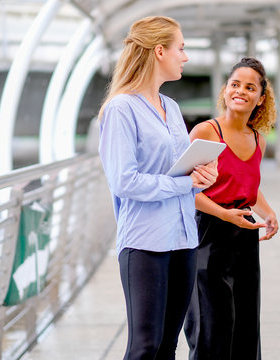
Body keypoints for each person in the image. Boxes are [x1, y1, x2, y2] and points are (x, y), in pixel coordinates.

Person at [98, 16, 218, 360]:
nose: (186, 56)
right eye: (181, 48)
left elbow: (179, 172)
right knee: (144, 347)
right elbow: (124, 181)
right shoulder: (121, 109)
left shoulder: (173, 108)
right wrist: (184, 183)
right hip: (145, 242)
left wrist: (200, 177)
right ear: (159, 51)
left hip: (183, 240)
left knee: (168, 346)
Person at [184, 57, 279, 360]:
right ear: (225, 90)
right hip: (207, 235)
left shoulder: (258, 140)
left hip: (244, 239)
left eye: (250, 87)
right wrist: (224, 214)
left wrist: (268, 212)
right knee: (211, 327)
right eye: (235, 84)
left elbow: (247, 184)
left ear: (261, 98)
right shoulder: (206, 132)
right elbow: (183, 189)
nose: (241, 91)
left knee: (245, 326)